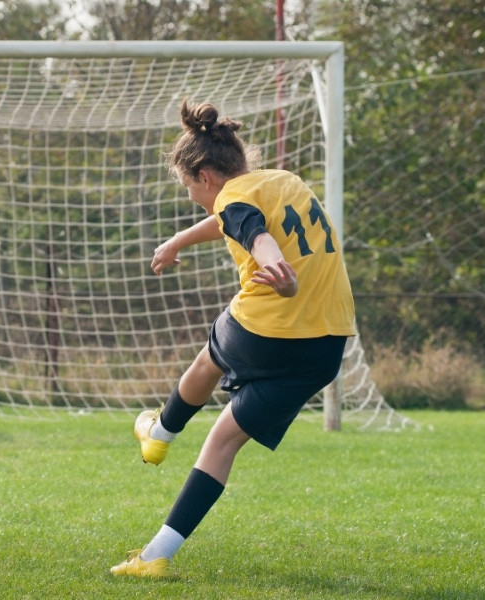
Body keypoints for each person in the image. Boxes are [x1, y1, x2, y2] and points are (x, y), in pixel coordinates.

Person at [110, 99, 356, 578]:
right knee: (223, 441)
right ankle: (156, 556)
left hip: (267, 327)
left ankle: (160, 432)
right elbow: (239, 219)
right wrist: (179, 240)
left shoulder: (230, 199)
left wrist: (277, 273)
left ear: (204, 175)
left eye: (188, 187)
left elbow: (253, 232)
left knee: (208, 360)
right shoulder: (284, 181)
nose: (191, 197)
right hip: (326, 345)